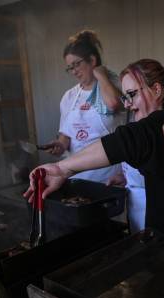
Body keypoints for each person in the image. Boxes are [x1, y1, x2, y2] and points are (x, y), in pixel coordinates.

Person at [25, 59, 164, 236]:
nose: (128, 104)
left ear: (156, 90)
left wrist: (62, 168)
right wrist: (126, 175)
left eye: (132, 94)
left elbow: (126, 140)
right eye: (126, 97)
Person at [42, 30, 126, 184]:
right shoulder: (69, 97)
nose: (74, 71)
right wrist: (59, 145)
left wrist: (100, 74)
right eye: (69, 68)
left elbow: (114, 104)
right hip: (77, 177)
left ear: (92, 60)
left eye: (76, 64)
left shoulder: (115, 85)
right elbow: (65, 137)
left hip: (111, 177)